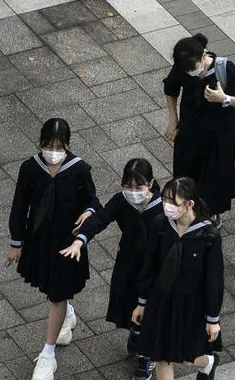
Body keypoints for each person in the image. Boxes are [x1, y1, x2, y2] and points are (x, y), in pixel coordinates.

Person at [7, 119, 99, 380]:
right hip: (39, 241)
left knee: (57, 294)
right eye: (48, 145)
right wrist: (16, 243)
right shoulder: (30, 169)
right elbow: (20, 205)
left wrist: (88, 213)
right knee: (52, 289)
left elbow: (92, 200)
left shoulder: (78, 169)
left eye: (59, 146)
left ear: (67, 146)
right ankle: (67, 316)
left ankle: (48, 356)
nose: (53, 151)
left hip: (68, 245)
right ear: (40, 143)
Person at [66, 159, 163, 380]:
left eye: (138, 187)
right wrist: (80, 240)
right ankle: (137, 336)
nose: (133, 192)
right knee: (131, 302)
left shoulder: (164, 208)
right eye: (128, 186)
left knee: (151, 307)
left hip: (156, 266)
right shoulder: (122, 201)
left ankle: (146, 356)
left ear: (151, 184)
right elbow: (101, 218)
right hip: (129, 262)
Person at [162, 35, 235, 224]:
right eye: (187, 70)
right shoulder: (183, 66)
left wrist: (225, 99)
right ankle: (185, 212)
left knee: (213, 184)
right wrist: (173, 119)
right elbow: (171, 88)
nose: (192, 72)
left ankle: (210, 218)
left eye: (194, 68)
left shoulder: (224, 68)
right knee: (186, 177)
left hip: (218, 141)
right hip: (190, 137)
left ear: (203, 56)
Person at [132, 177, 224, 380]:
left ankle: (208, 363)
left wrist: (213, 319)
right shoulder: (160, 226)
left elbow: (214, 279)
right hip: (161, 299)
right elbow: (150, 266)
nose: (167, 206)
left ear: (190, 204)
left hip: (191, 305)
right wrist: (142, 302)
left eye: (173, 202)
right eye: (165, 200)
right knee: (160, 356)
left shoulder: (208, 236)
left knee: (186, 357)